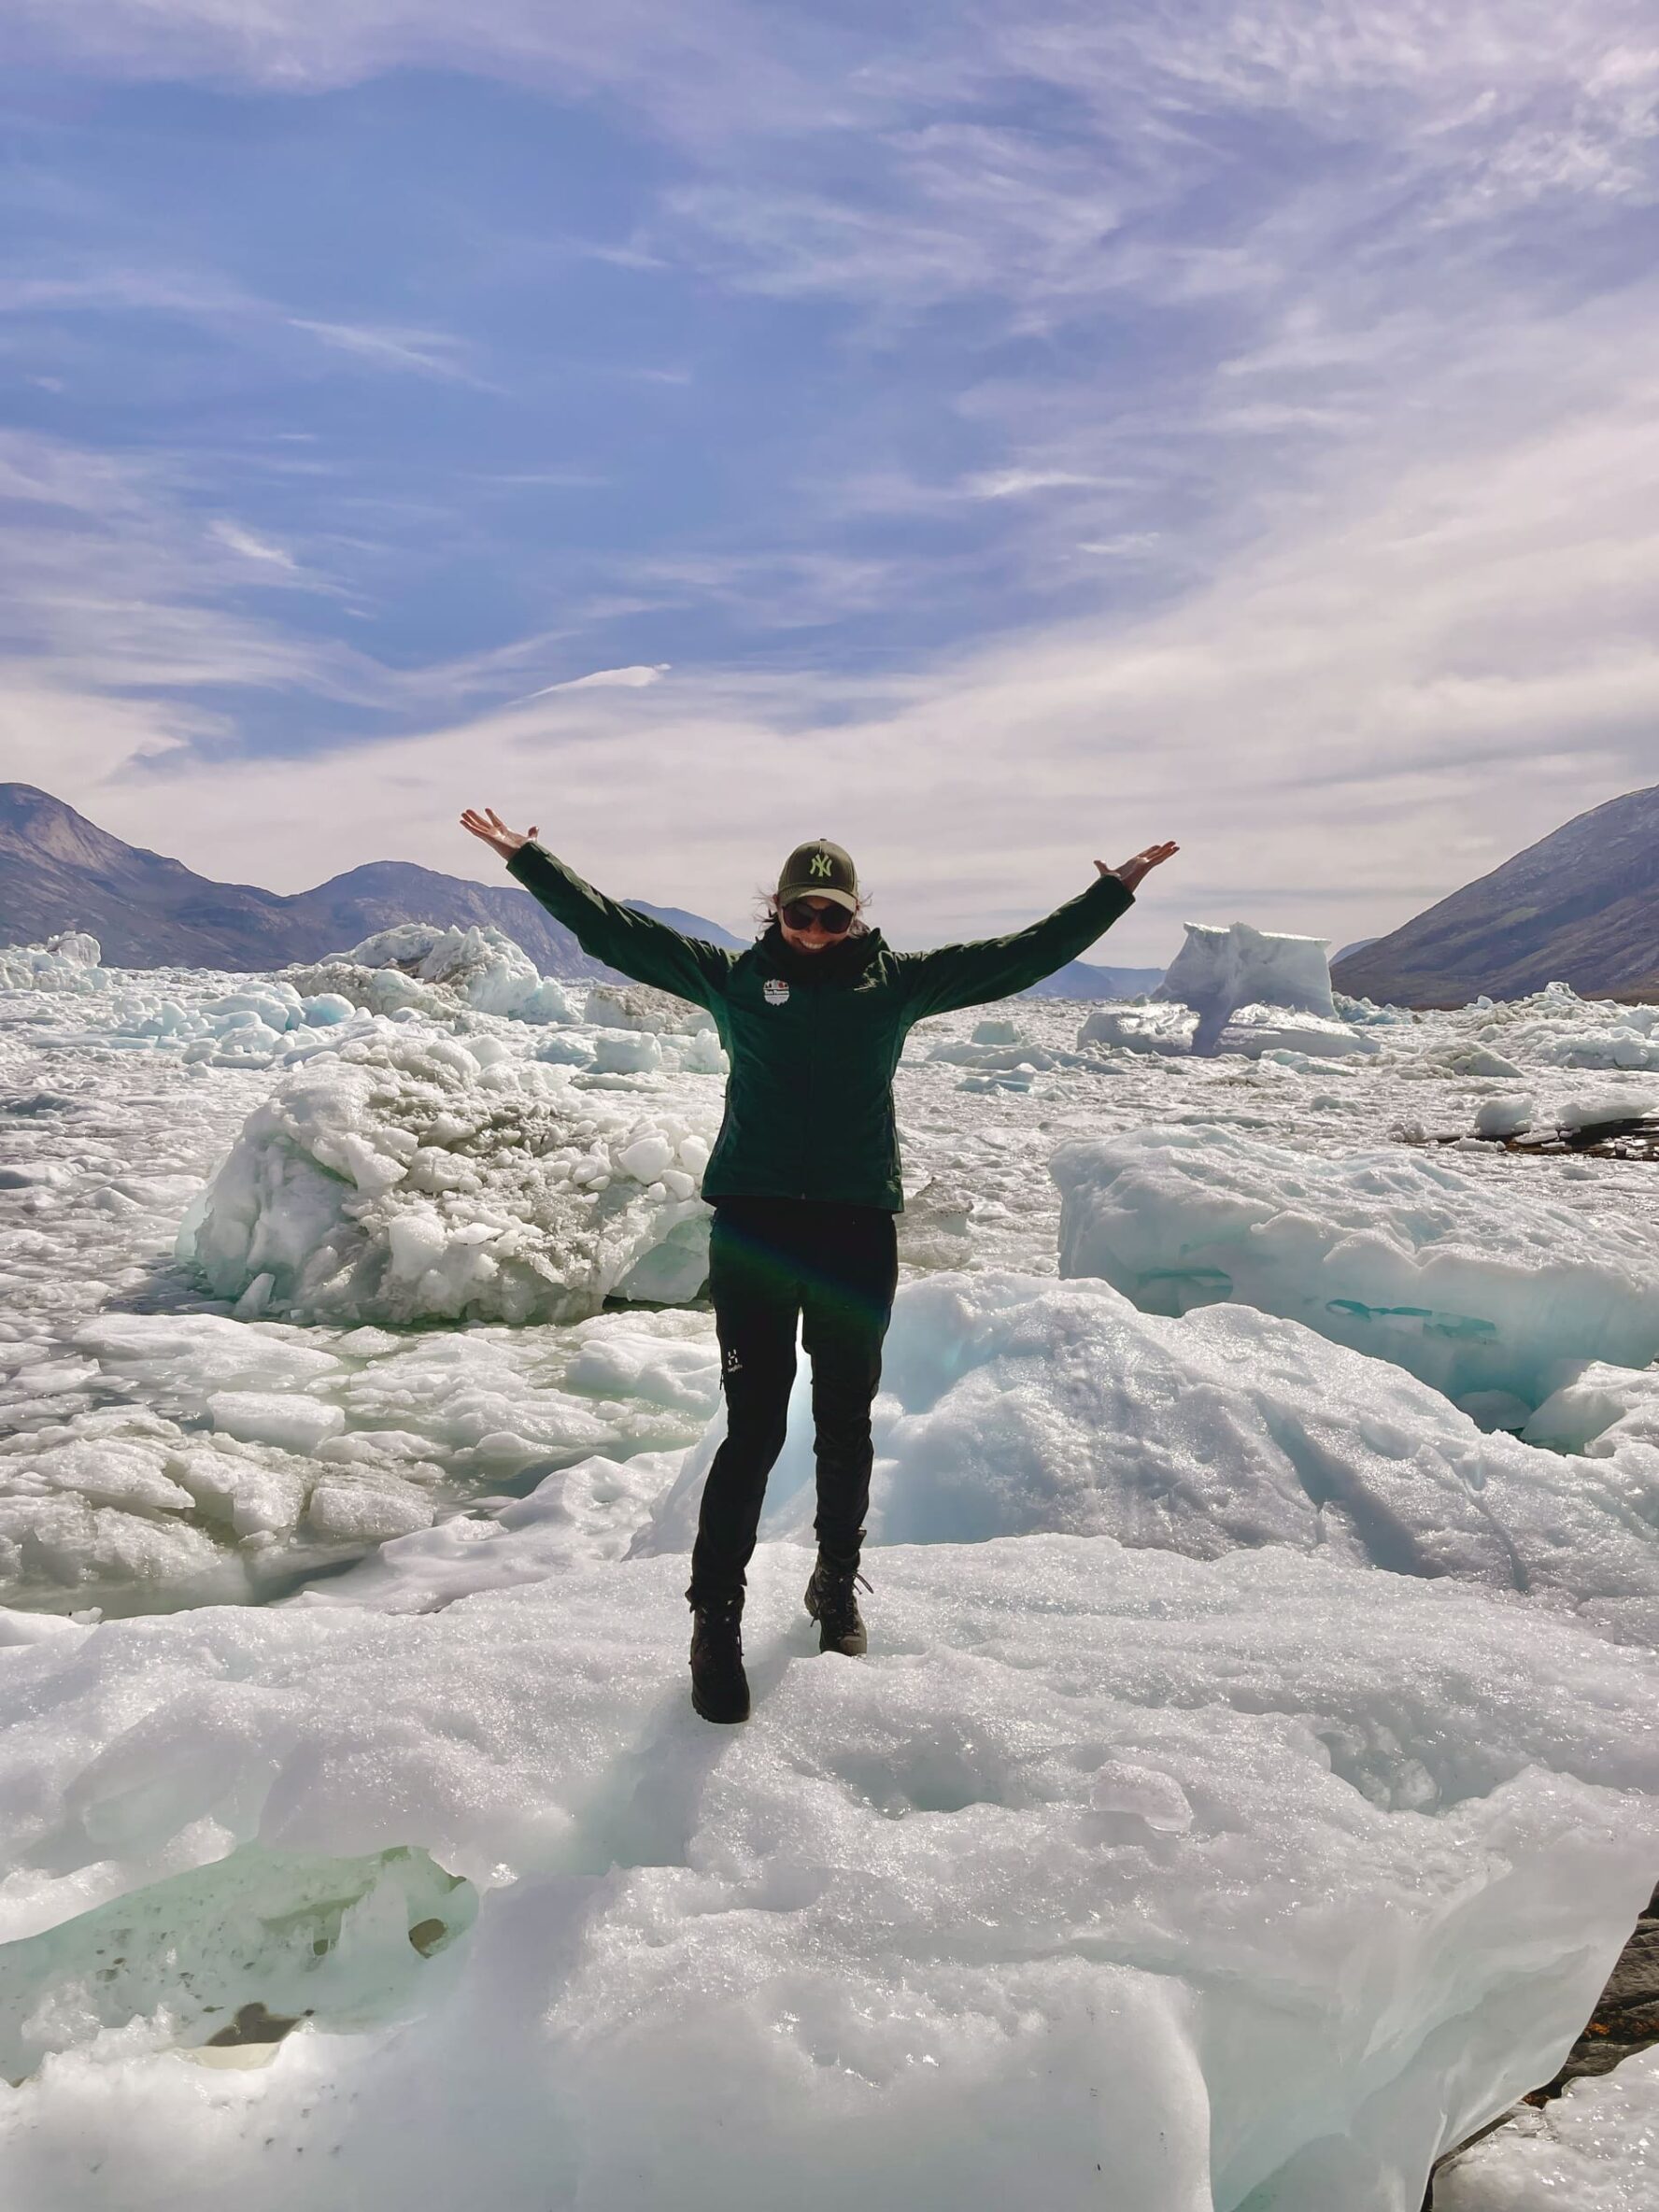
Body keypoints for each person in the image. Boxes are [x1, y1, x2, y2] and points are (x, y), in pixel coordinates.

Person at [461, 807, 1176, 1723]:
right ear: (779, 908)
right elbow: (615, 932)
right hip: (755, 1231)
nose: (814, 930)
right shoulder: (731, 978)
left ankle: (834, 1585)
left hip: (853, 1232)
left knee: (843, 1425)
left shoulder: (897, 985)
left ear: (854, 916)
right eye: (801, 912)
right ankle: (713, 1619)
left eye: (832, 916)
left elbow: (1021, 956)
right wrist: (531, 861)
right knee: (753, 1430)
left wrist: (1112, 891)